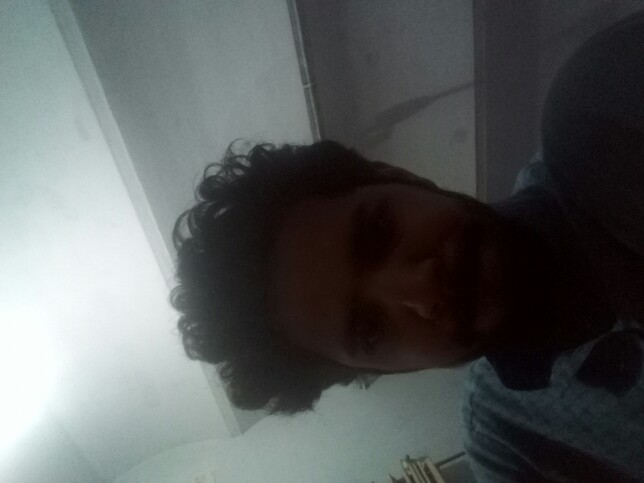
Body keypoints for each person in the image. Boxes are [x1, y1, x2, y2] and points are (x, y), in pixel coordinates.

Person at [170, 11, 644, 482]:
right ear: (382, 370)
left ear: (396, 177)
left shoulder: (598, 109)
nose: (420, 288)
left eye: (378, 234)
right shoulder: (505, 440)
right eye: (370, 329)